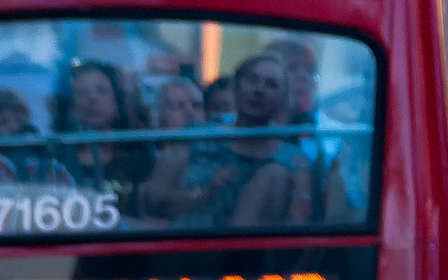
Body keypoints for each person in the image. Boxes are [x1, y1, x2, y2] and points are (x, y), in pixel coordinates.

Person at [181, 53, 300, 227]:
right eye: (253, 80)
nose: (259, 90)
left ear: (283, 99)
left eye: (271, 85)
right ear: (236, 87)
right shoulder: (197, 137)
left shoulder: (292, 160)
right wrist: (203, 193)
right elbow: (154, 201)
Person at [57, 60, 154, 212]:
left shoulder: (137, 150)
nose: (92, 98)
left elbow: (149, 214)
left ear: (117, 101)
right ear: (72, 105)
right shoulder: (56, 155)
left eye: (101, 91)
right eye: (82, 93)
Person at [137, 75, 204, 221]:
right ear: (158, 117)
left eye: (196, 106)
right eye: (179, 106)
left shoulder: (217, 155)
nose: (190, 113)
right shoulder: (141, 159)